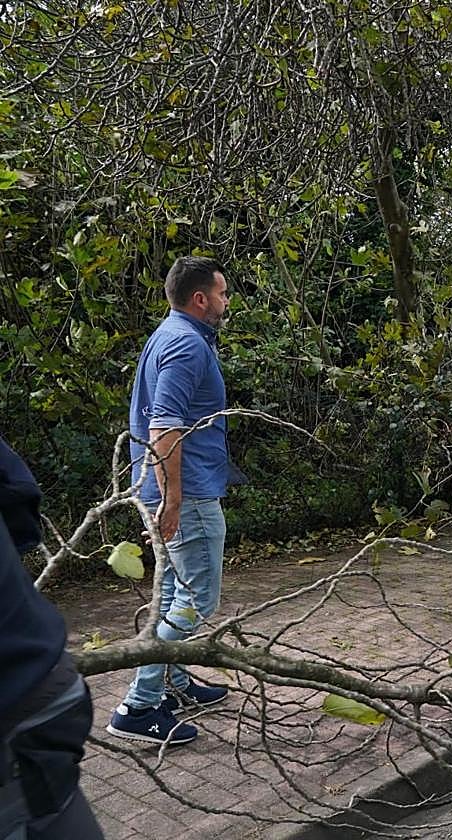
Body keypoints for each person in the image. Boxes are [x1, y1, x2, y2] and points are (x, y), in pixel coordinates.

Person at [107, 256, 232, 746]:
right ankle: (138, 707)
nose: (226, 302)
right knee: (198, 600)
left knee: (176, 594)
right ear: (200, 299)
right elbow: (163, 425)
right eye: (222, 294)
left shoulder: (171, 334)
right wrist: (173, 499)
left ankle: (174, 681)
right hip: (189, 493)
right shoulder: (185, 345)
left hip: (178, 487)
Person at [1, 436, 105, 839]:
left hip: (26, 696)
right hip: (34, 684)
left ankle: (153, 696)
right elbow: (18, 496)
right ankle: (146, 701)